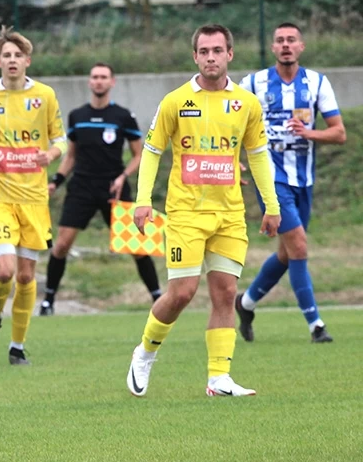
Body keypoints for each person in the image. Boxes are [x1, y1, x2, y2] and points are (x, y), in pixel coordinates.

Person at [126, 24, 280, 399]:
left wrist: (271, 204)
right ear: (195, 56)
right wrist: (143, 200)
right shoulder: (175, 101)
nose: (211, 57)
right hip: (186, 213)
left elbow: (258, 155)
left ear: (230, 54)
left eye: (218, 50)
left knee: (226, 292)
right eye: (204, 51)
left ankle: (219, 377)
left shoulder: (247, 103)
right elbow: (151, 151)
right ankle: (145, 352)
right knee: (182, 292)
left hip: (229, 214)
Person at [0, 27, 66, 365]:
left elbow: (61, 140)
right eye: (6, 55)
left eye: (17, 55)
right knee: (5, 271)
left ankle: (17, 347)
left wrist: (51, 155)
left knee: (25, 276)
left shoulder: (45, 96)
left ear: (27, 61)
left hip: (34, 199)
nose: (12, 60)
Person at [235, 22, 345, 344]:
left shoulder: (317, 83)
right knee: (298, 245)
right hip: (270, 178)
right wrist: (231, 158)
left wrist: (309, 133)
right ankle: (316, 325)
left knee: (287, 253)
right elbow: (229, 121)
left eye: (291, 40)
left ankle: (246, 303)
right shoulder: (253, 83)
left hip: (303, 179)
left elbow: (339, 132)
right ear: (273, 48)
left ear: (301, 46)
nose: (285, 45)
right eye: (280, 40)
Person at [40, 63, 161, 315]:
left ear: (112, 82)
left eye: (103, 77)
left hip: (114, 188)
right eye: (95, 77)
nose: (98, 81)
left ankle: (158, 299)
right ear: (89, 82)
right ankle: (48, 301)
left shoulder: (123, 116)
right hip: (81, 188)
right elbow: (71, 156)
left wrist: (123, 176)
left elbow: (139, 155)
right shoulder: (77, 116)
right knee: (61, 245)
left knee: (136, 248)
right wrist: (56, 181)